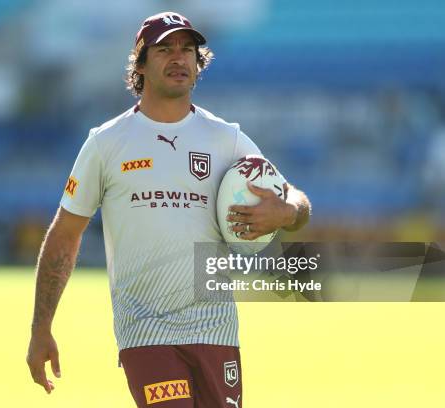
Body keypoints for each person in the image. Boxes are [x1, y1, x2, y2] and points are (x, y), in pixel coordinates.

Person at [27, 11, 311, 407]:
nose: (179, 58)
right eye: (165, 49)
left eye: (188, 50)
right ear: (141, 64)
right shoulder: (106, 143)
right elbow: (65, 233)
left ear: (199, 63)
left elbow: (294, 199)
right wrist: (41, 328)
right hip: (146, 332)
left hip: (216, 331)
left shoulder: (226, 139)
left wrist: (286, 212)